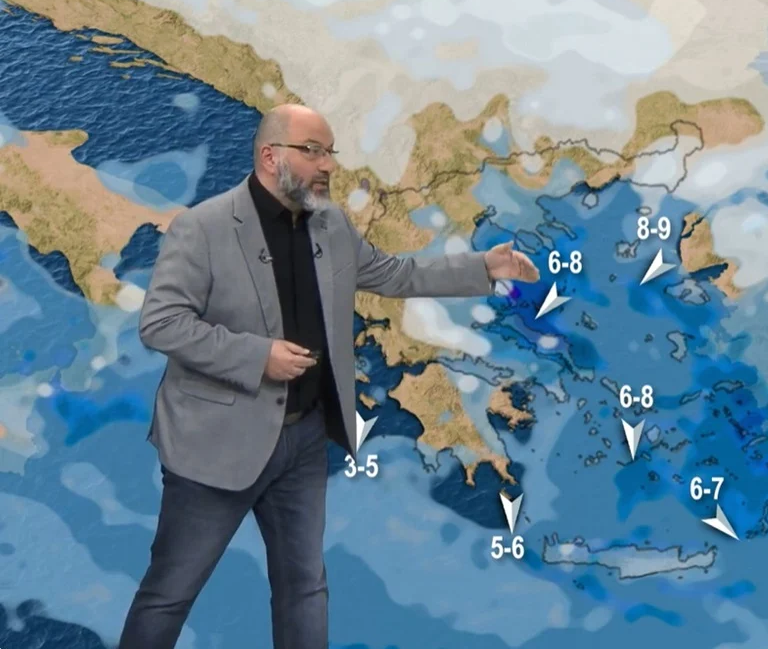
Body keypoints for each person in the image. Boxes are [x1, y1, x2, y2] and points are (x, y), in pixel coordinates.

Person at [118, 104, 539, 648]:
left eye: (330, 152)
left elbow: (396, 274)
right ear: (271, 157)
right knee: (170, 593)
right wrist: (256, 356)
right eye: (313, 151)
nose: (328, 165)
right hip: (216, 446)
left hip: (303, 440)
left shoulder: (330, 224)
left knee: (305, 589)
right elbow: (161, 323)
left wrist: (484, 268)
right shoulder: (203, 229)